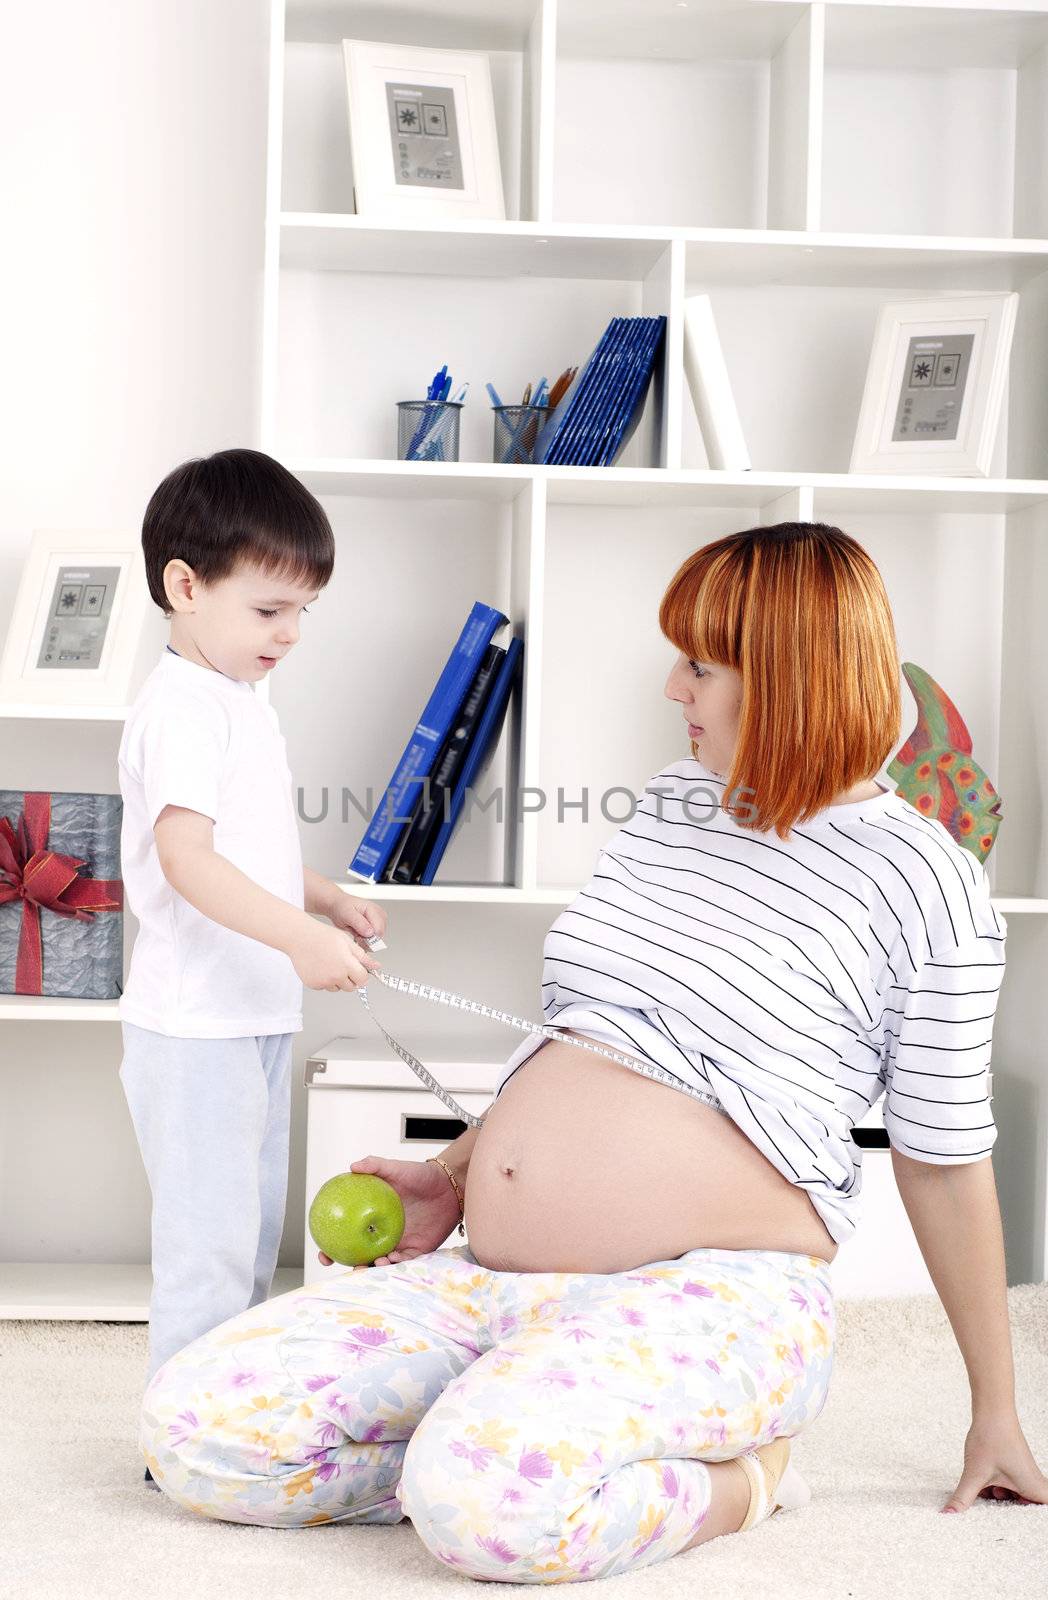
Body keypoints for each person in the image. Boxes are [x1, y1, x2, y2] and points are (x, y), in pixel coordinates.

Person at [136, 520, 1047, 1575]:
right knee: (195, 1429)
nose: (673, 687)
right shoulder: (671, 804)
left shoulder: (927, 882)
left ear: (792, 678)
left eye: (700, 665)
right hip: (499, 1273)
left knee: (484, 1509)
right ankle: (497, 1450)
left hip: (715, 1289)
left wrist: (995, 1409)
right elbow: (589, 1037)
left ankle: (745, 1475)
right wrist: (452, 1173)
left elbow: (944, 1156)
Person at [116, 449, 388, 1485]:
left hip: (252, 1017)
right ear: (185, 587)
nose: (291, 635)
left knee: (250, 1237)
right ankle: (179, 1449)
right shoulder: (184, 704)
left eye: (304, 611)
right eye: (271, 608)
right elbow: (186, 862)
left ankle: (221, 1418)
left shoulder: (235, 696)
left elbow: (241, 845)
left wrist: (320, 898)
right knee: (211, 1250)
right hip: (197, 1029)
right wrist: (298, 937)